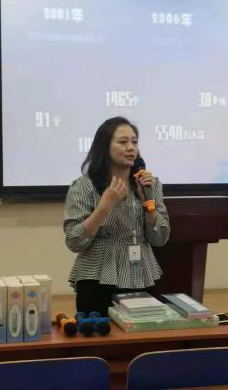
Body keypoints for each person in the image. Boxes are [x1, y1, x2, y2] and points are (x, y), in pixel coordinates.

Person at [63, 116, 170, 316]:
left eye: (134, 142)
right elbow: (74, 241)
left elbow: (160, 238)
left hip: (142, 272)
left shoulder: (150, 184)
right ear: (105, 147)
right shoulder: (84, 186)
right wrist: (104, 207)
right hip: (98, 276)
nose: (130, 147)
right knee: (100, 333)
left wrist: (149, 205)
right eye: (123, 142)